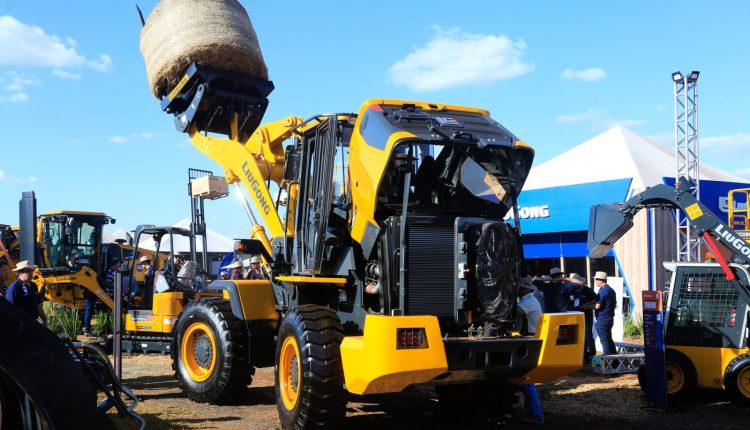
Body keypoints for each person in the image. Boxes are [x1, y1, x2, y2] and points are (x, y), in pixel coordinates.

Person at [515, 277, 544, 425]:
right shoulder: (529, 299)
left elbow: (516, 311)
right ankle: (529, 412)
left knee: (527, 380)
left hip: (531, 340)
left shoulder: (528, 302)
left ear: (525, 289)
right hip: (529, 339)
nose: (517, 290)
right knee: (526, 379)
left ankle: (537, 415)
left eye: (519, 288)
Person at [5, 260, 47, 326]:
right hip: (21, 325)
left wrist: (45, 320)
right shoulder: (14, 288)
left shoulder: (33, 285)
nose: (31, 273)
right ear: (20, 273)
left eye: (31, 270)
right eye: (27, 271)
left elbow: (39, 305)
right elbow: (10, 310)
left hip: (33, 323)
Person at [568, 273, 598, 363]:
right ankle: (583, 354)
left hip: (586, 316)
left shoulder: (588, 290)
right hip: (574, 316)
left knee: (588, 334)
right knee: (577, 335)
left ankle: (592, 353)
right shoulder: (571, 291)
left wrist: (588, 304)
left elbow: (596, 299)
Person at [594, 271, 617, 356]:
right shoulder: (611, 290)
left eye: (596, 279)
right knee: (609, 339)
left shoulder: (603, 291)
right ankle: (615, 361)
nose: (596, 281)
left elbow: (597, 306)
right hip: (609, 318)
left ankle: (609, 362)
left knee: (604, 341)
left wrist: (589, 306)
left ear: (601, 280)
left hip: (602, 318)